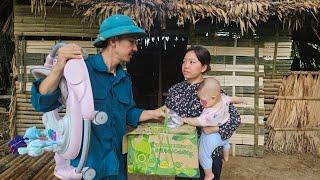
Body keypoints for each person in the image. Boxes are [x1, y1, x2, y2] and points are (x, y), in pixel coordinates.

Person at [31, 14, 165, 179]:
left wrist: (155, 113)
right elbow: (42, 103)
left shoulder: (124, 79)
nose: (136, 48)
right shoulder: (81, 70)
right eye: (131, 42)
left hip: (116, 166)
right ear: (114, 41)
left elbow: (128, 113)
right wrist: (59, 66)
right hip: (87, 167)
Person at [165, 46, 241, 180]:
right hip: (182, 152)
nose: (186, 66)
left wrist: (215, 128)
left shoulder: (212, 90)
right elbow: (169, 118)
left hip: (209, 155)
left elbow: (235, 119)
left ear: (204, 67)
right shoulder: (175, 90)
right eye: (184, 61)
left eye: (192, 62)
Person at [180, 77, 246, 180]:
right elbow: (232, 99)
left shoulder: (210, 114)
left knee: (202, 155)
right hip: (224, 135)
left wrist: (185, 119)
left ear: (213, 98)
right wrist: (240, 100)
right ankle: (226, 154)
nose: (201, 103)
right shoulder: (223, 98)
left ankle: (209, 174)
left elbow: (197, 121)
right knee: (225, 141)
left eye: (203, 101)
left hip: (211, 137)